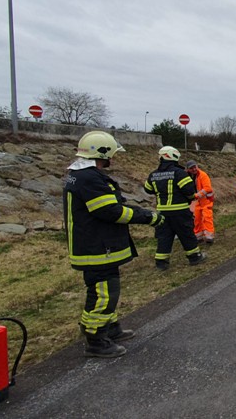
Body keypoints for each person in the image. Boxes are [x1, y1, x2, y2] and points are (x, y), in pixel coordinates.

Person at [64, 131, 166, 359]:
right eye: (111, 153)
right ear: (102, 152)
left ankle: (109, 328)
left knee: (107, 290)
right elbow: (110, 211)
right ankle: (95, 339)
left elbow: (109, 205)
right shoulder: (89, 179)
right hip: (96, 246)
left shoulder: (81, 175)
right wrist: (148, 217)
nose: (113, 158)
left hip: (95, 243)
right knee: (103, 293)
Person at [144, 146, 205, 270]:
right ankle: (195, 257)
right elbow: (189, 191)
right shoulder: (179, 173)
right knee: (186, 234)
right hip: (180, 212)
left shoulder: (153, 174)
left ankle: (161, 262)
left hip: (162, 212)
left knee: (164, 237)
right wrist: (191, 198)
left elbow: (148, 189)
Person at [186, 160, 215, 244]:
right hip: (195, 201)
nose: (194, 169)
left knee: (207, 217)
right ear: (188, 169)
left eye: (195, 167)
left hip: (206, 200)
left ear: (197, 166)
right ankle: (198, 236)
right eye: (191, 168)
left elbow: (208, 188)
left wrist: (197, 195)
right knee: (196, 219)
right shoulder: (186, 176)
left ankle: (209, 237)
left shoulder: (203, 175)